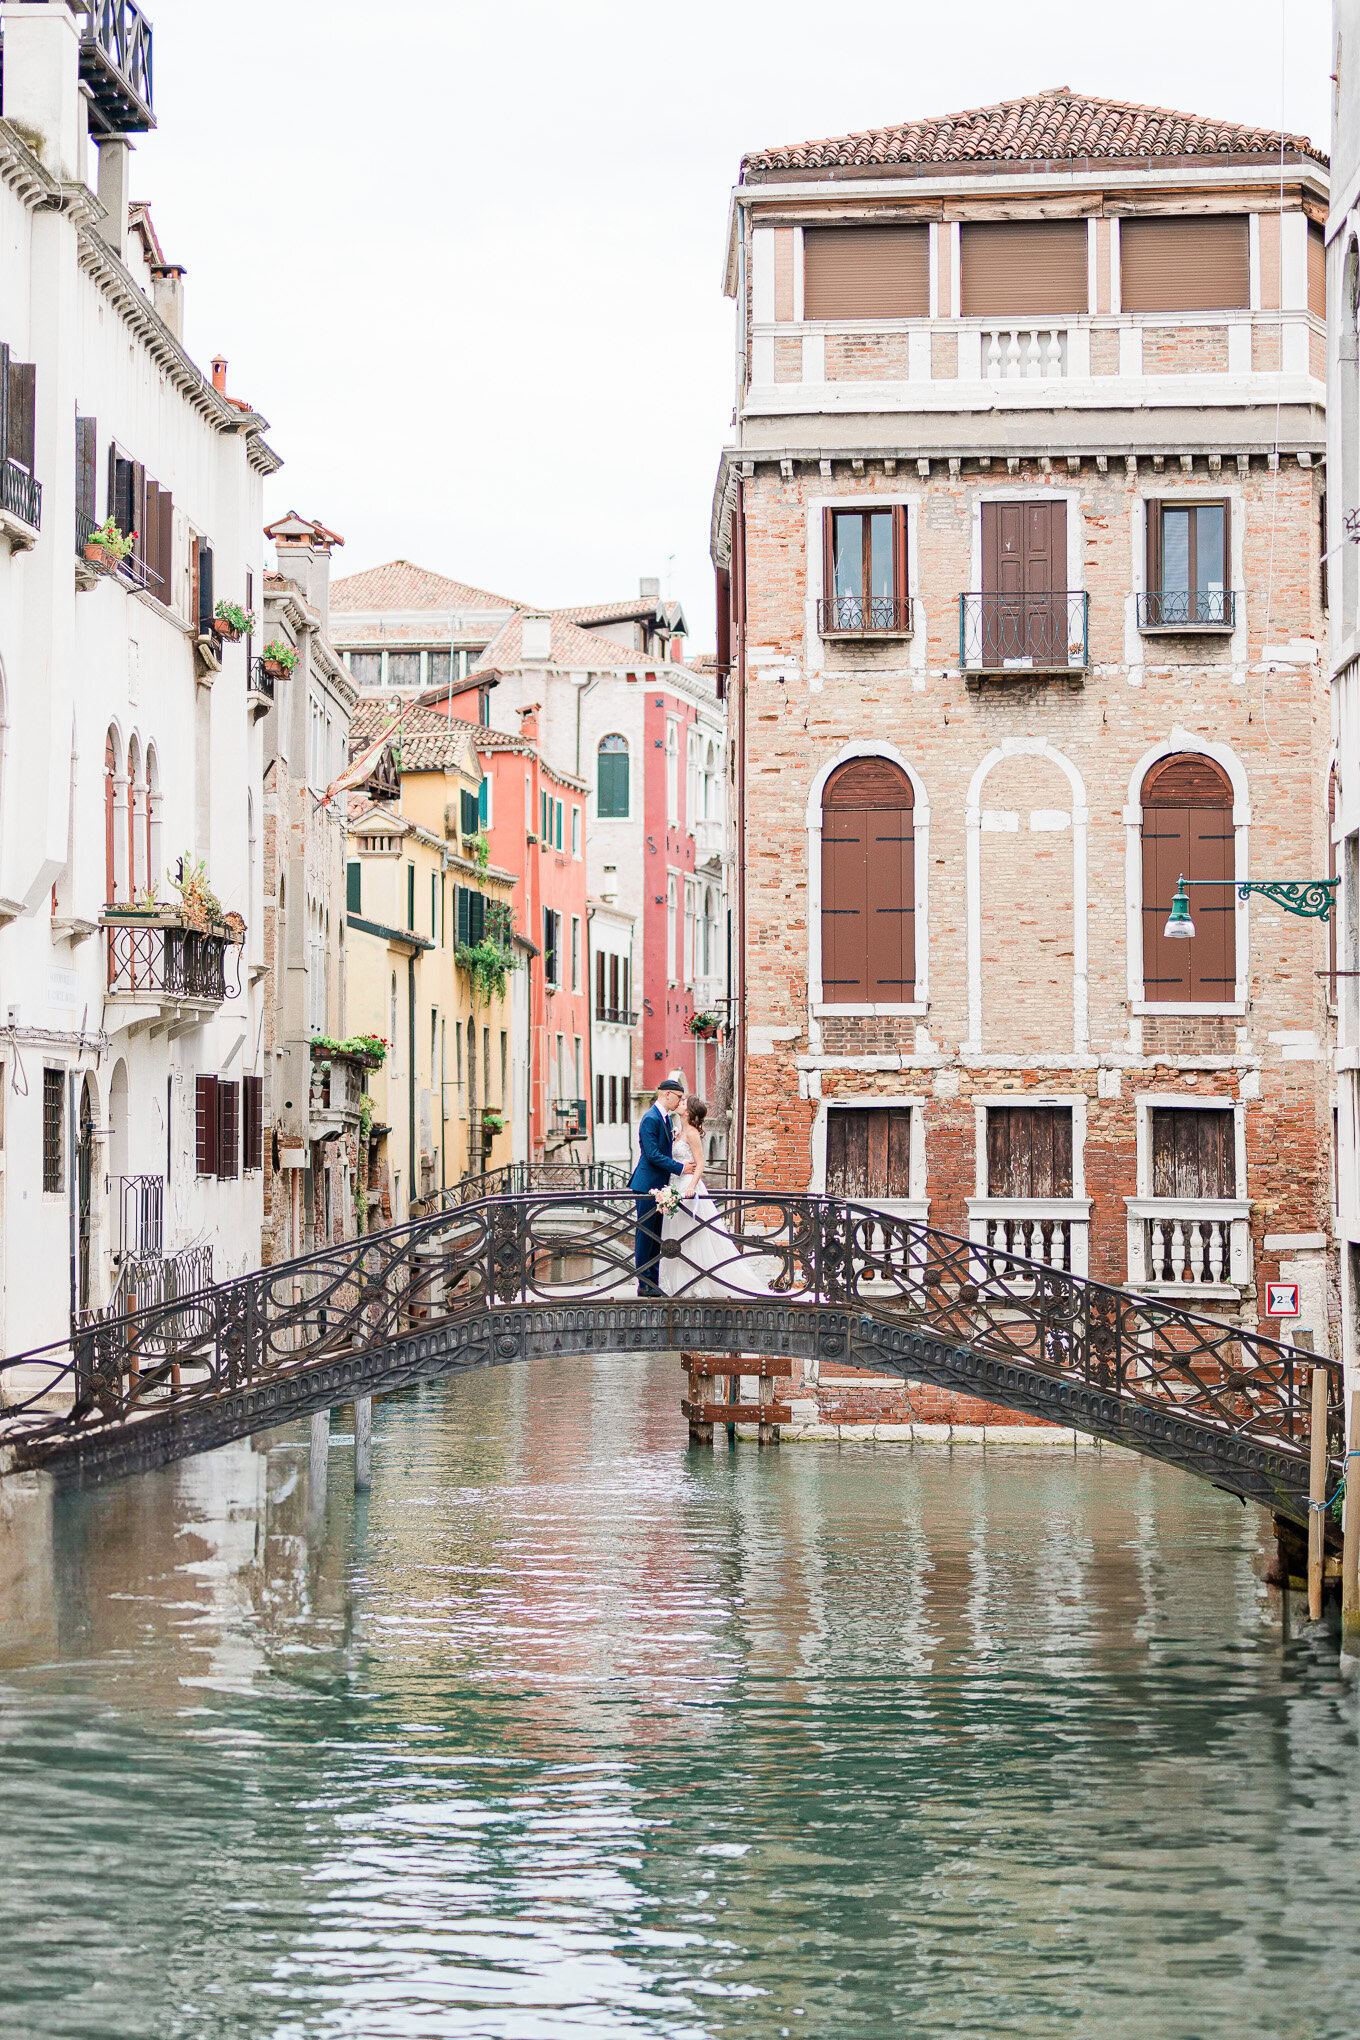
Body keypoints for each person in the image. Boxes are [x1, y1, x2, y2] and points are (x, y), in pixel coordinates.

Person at [659, 1097, 782, 1299]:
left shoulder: (691, 1133)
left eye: (683, 1102)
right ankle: (677, 1284)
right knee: (676, 1235)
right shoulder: (678, 1132)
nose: (679, 1103)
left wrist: (690, 1187)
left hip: (688, 1189)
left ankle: (695, 1283)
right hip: (675, 1186)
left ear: (688, 1112)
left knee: (693, 1236)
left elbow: (700, 1164)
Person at [629, 1073, 686, 1296]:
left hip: (658, 1186)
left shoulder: (664, 1119)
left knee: (655, 1236)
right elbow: (652, 1154)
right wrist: (680, 1169)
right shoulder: (650, 1118)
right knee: (645, 1235)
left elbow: (662, 1148)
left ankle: (652, 1281)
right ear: (667, 1094)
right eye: (678, 1098)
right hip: (646, 1185)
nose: (680, 1102)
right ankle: (645, 1284)